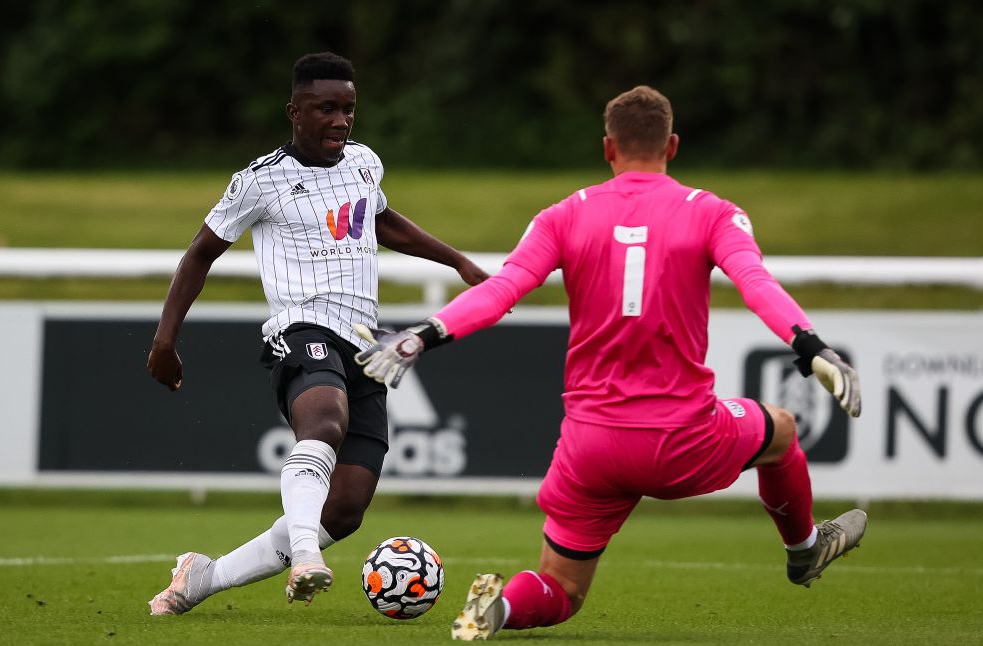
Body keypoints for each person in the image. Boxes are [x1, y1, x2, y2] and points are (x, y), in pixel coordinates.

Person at [353, 85, 866, 641]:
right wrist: (811, 344)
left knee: (562, 589)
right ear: (671, 145)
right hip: (683, 436)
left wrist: (421, 337)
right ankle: (805, 550)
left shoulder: (563, 215)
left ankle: (496, 610)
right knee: (781, 431)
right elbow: (755, 283)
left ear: (607, 148)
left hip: (591, 446)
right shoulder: (713, 212)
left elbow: (502, 290)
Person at [145, 51, 488, 615]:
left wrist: (456, 261)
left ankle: (203, 577)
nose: (340, 120)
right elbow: (200, 253)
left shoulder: (363, 162)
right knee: (325, 422)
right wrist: (165, 339)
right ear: (295, 112)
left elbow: (380, 221)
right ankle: (304, 556)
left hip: (365, 340)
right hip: (300, 325)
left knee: (346, 510)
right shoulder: (259, 180)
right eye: (326, 108)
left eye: (348, 109)